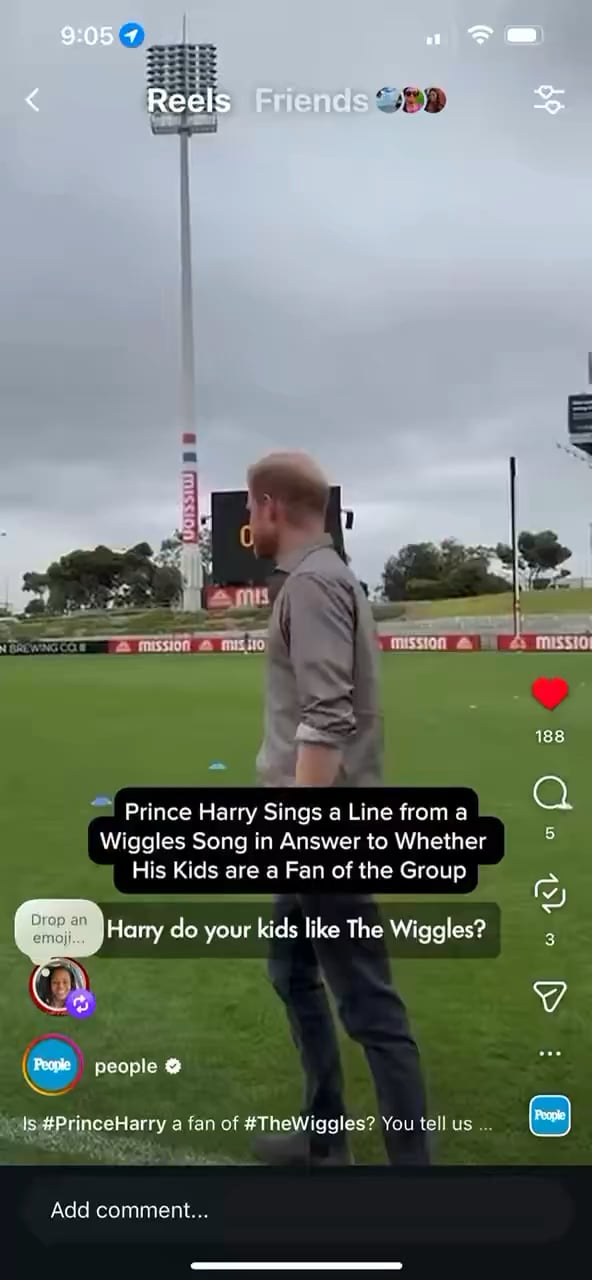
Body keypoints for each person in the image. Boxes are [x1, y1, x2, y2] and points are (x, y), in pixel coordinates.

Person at [246, 451, 429, 1167]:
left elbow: (327, 714)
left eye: (250, 508)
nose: (248, 521)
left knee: (369, 1005)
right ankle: (324, 1138)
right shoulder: (322, 577)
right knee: (292, 973)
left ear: (269, 506)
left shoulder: (314, 583)